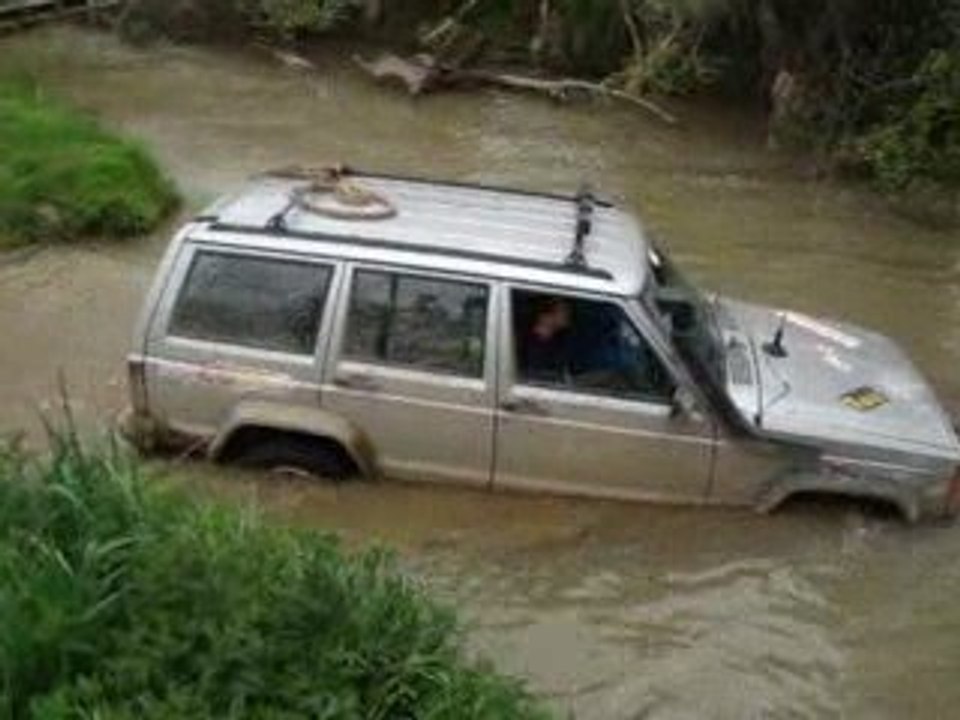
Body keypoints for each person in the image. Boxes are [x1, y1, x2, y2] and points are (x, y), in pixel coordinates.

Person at [520, 297, 573, 383]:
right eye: (563, 311)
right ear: (546, 316)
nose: (568, 314)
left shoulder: (557, 341)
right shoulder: (530, 345)